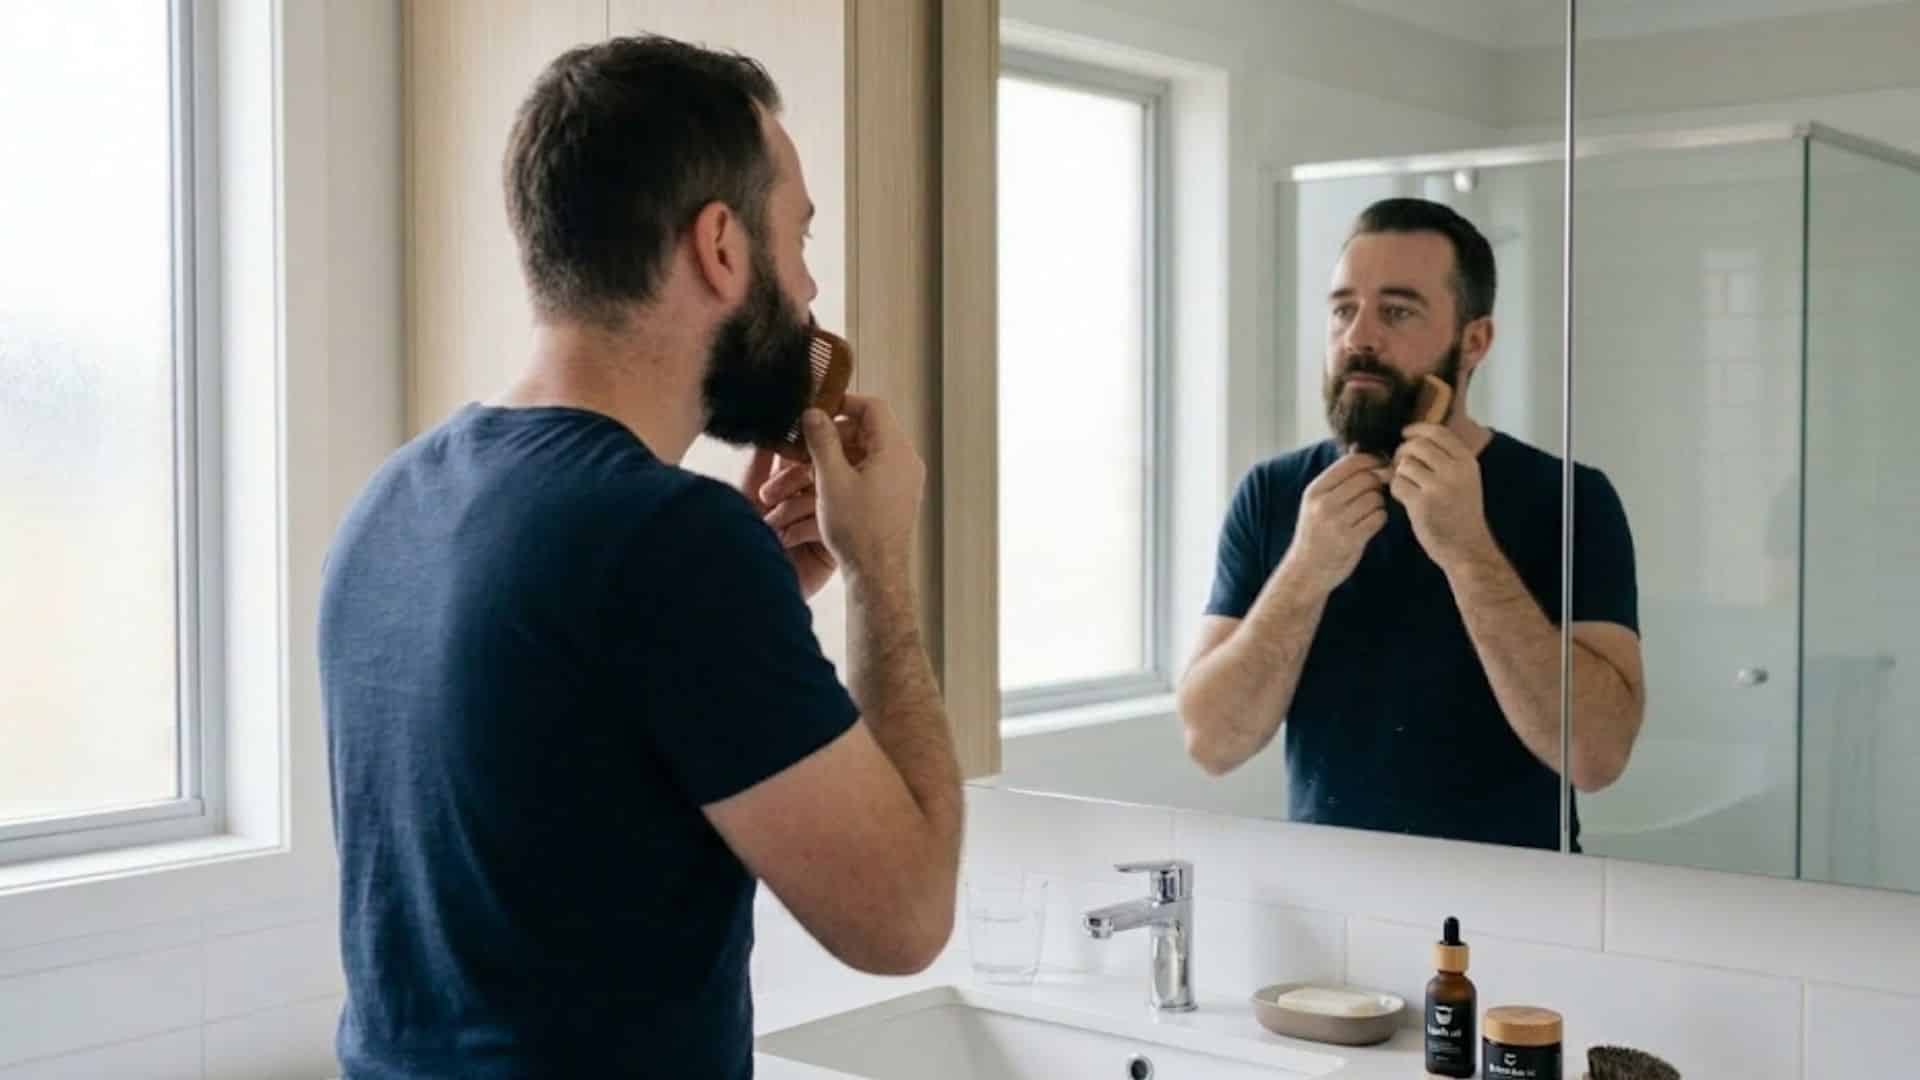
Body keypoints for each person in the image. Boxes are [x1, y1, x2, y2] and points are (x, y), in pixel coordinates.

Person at [319, 36, 962, 1078]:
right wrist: (879, 569)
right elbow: (905, 919)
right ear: (721, 245)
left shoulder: (394, 500)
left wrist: (756, 597)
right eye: (799, 236)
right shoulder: (673, 544)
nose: (809, 286)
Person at [1176, 198, 1645, 851]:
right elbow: (1211, 744)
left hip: (1518, 898)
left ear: (1474, 341)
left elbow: (1597, 756)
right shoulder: (1276, 494)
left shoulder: (1570, 499)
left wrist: (1469, 551)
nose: (1358, 337)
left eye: (1396, 312)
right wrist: (1306, 570)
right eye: (1343, 310)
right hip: (1333, 888)